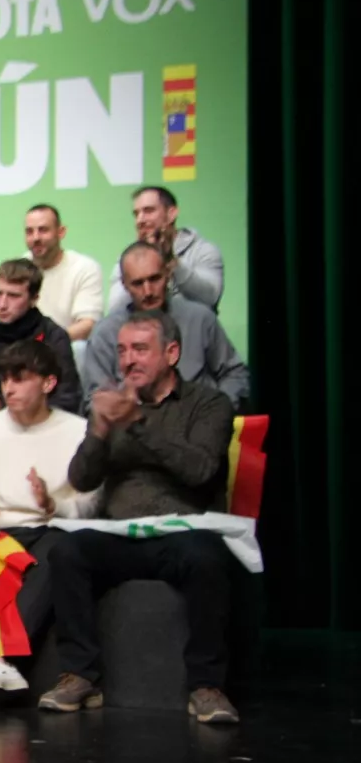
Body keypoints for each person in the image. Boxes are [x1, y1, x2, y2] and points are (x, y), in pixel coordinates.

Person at [39, 310, 243, 724]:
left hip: (183, 530)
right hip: (122, 533)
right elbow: (81, 479)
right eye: (121, 351)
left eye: (140, 349)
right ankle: (80, 675)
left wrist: (136, 424)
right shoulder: (113, 406)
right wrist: (100, 431)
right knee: (67, 552)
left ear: (172, 353)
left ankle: (206, 686)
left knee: (206, 559)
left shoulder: (209, 404)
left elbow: (200, 469)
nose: (128, 360)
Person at [0, 339, 98, 706]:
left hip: (52, 527)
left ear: (48, 383)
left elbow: (91, 506)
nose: (8, 389)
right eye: (4, 380)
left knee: (54, 557)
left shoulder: (79, 431)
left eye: (20, 379)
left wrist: (52, 504)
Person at [84, 243, 248, 411]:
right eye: (138, 283)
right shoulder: (105, 333)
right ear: (124, 285)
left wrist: (218, 410)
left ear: (168, 274)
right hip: (135, 421)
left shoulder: (200, 319)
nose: (148, 291)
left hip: (201, 417)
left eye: (155, 279)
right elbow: (95, 400)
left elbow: (235, 373)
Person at [0, 259, 82, 423]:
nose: (2, 304)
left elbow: (67, 398)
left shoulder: (54, 337)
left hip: (42, 425)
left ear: (34, 299)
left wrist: (30, 412)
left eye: (13, 296)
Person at [106, 186, 224, 312]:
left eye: (148, 211)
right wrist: (140, 258)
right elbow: (115, 309)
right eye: (136, 214)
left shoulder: (203, 250)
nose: (140, 220)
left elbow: (210, 298)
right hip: (146, 323)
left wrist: (172, 262)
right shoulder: (129, 259)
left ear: (171, 214)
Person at [24, 204, 103, 340]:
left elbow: (88, 324)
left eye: (43, 230)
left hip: (67, 346)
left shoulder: (84, 268)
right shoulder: (17, 269)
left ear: (61, 232)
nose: (36, 238)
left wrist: (44, 342)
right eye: (29, 232)